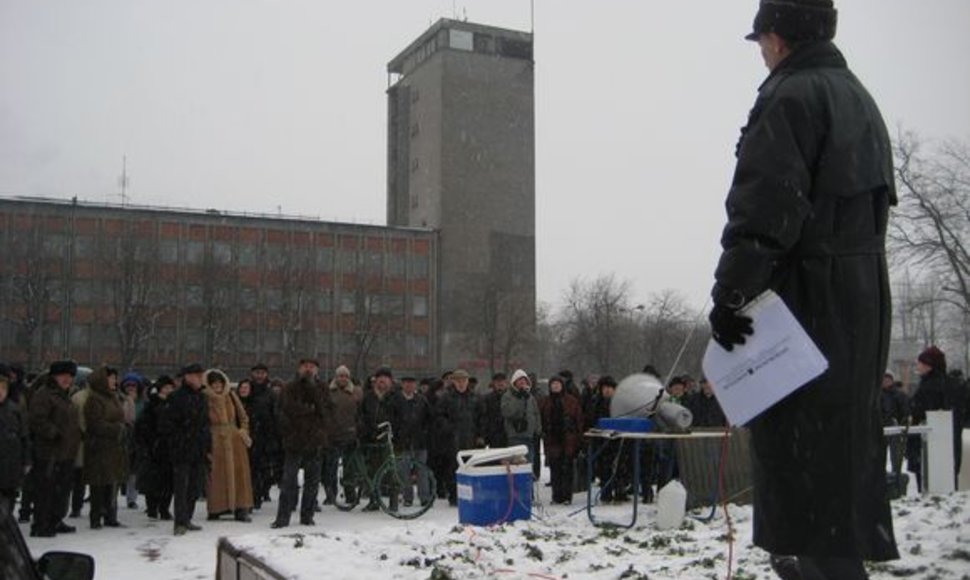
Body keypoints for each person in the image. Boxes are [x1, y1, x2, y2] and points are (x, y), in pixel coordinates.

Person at [708, 1, 898, 576]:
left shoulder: (790, 96)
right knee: (839, 451)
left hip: (810, 298)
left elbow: (767, 206)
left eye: (762, 41)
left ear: (779, 38)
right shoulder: (858, 97)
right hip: (861, 297)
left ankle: (825, 566)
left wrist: (732, 294)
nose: (761, 54)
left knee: (802, 445)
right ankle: (824, 558)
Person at [272, 358, 330, 528]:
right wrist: (306, 412)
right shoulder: (289, 388)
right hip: (294, 440)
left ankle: (307, 515)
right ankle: (283, 517)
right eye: (305, 366)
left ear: (317, 370)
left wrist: (319, 425)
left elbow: (325, 411)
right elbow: (285, 410)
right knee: (289, 481)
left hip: (314, 440)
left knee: (312, 482)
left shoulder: (322, 388)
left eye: (312, 367)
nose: (308, 369)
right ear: (299, 369)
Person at [27, 361, 82, 537]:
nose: (67, 379)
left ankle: (55, 520)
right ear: (54, 376)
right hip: (49, 453)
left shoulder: (67, 396)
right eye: (63, 375)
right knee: (46, 491)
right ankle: (41, 524)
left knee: (62, 491)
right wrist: (54, 433)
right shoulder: (44, 394)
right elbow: (37, 420)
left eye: (70, 376)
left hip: (66, 453)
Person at [160, 363, 211, 536]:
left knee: (194, 487)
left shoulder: (201, 397)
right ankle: (179, 522)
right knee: (181, 487)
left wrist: (206, 444)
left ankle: (187, 518)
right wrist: (179, 440)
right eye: (197, 375)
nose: (199, 379)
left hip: (198, 448)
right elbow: (167, 424)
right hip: (182, 448)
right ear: (188, 377)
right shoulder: (176, 397)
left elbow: (205, 423)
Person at [204, 369, 254, 522]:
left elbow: (243, 416)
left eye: (220, 383)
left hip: (234, 439)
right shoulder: (204, 399)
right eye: (214, 384)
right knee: (216, 475)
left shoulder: (231, 395)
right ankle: (217, 507)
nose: (217, 387)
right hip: (215, 439)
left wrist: (242, 432)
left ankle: (241, 507)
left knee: (240, 475)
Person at [911, 346, 964, 489]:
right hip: (950, 442)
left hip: (930, 443)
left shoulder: (930, 386)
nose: (918, 366)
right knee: (948, 479)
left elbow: (920, 413)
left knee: (931, 482)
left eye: (920, 363)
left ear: (929, 365)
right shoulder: (950, 384)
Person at [83, 366, 129, 529]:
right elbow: (95, 424)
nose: (114, 381)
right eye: (111, 378)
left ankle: (111, 515)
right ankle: (96, 516)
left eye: (115, 378)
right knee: (98, 484)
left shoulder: (113, 397)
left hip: (114, 447)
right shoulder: (94, 399)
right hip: (99, 447)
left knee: (112, 482)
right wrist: (116, 428)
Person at [387, 375, 433, 507]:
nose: (409, 386)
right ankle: (408, 497)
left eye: (412, 383)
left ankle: (424, 497)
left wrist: (425, 433)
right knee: (404, 471)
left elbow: (430, 419)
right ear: (402, 384)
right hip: (402, 442)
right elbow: (391, 419)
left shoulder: (421, 400)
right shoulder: (395, 400)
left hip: (420, 441)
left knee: (422, 471)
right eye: (406, 383)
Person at [434, 369, 478, 505]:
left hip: (470, 437)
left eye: (463, 380)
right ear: (453, 382)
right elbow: (439, 416)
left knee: (469, 467)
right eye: (458, 380)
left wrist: (480, 434)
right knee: (453, 468)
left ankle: (469, 494)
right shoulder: (446, 397)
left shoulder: (474, 397)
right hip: (451, 438)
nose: (461, 383)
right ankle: (454, 496)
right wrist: (448, 428)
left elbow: (481, 417)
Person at [135, 376, 175, 520]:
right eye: (166, 388)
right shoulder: (151, 405)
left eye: (171, 388)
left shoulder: (174, 405)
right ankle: (152, 508)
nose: (168, 391)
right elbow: (142, 427)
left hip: (169, 448)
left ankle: (164, 508)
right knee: (153, 482)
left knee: (168, 482)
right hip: (154, 448)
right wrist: (149, 444)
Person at [539, 376, 583, 505]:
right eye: (553, 384)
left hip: (568, 439)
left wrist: (578, 437)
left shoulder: (571, 401)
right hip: (552, 440)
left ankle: (567, 496)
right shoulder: (545, 402)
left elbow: (579, 420)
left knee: (567, 469)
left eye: (558, 384)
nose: (555, 386)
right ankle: (556, 496)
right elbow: (541, 419)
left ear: (562, 386)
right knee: (555, 469)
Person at [358, 367, 397, 511]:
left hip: (389, 440)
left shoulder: (395, 396)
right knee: (372, 472)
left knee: (392, 472)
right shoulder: (368, 397)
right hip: (371, 439)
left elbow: (399, 417)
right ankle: (374, 501)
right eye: (380, 378)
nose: (382, 381)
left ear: (390, 381)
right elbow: (361, 416)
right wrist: (364, 431)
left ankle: (393, 502)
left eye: (385, 378)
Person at [323, 365, 362, 506]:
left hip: (350, 435)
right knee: (330, 468)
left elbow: (360, 413)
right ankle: (330, 495)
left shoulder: (356, 392)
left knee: (350, 467)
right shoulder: (328, 392)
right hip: (332, 435)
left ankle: (350, 494)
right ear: (336, 377)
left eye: (345, 376)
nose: (343, 378)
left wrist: (358, 428)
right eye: (340, 376)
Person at [0, 375, 30, 514]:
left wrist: (26, 460)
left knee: (7, 506)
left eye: (3, 388)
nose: (0, 392)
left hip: (11, 466)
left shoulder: (14, 410)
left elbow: (24, 437)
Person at [501, 369, 541, 464]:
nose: (522, 382)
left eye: (524, 380)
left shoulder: (530, 397)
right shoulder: (508, 396)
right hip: (515, 435)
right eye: (520, 380)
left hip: (529, 436)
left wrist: (537, 430)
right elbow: (508, 412)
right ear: (514, 382)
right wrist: (519, 398)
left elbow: (536, 413)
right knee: (517, 463)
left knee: (529, 461)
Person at [475, 372, 509, 449]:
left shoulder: (511, 397)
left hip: (509, 434)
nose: (500, 384)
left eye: (502, 381)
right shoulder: (486, 398)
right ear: (493, 383)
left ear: (506, 383)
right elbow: (483, 417)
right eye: (497, 381)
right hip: (493, 435)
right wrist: (482, 435)